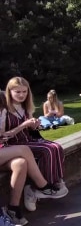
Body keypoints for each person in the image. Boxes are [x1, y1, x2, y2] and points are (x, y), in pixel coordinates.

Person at [1, 77, 69, 212]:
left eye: (24, 92)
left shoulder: (26, 107)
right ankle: (42, 187)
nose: (21, 95)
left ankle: (54, 182)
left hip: (27, 139)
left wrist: (34, 126)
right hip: (13, 143)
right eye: (17, 92)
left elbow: (31, 131)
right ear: (10, 92)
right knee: (47, 150)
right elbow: (5, 135)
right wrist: (24, 125)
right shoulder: (5, 109)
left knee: (57, 147)